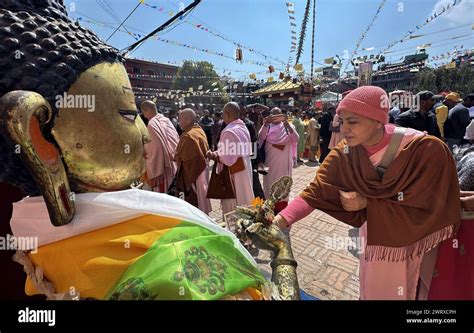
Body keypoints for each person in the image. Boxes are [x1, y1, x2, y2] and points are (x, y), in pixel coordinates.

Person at [272, 86, 461, 300]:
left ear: (378, 121)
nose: (344, 129)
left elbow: (429, 202)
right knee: (372, 286)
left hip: (411, 238)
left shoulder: (423, 148)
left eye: (352, 122)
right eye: (341, 121)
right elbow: (315, 191)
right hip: (373, 235)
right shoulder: (346, 151)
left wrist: (368, 203)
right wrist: (279, 221)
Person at [207, 102, 254, 215]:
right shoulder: (243, 127)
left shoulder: (228, 131)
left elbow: (226, 159)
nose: (222, 117)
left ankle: (234, 228)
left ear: (227, 114)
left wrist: (212, 155)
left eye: (223, 114)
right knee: (245, 197)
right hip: (245, 167)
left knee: (233, 205)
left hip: (234, 172)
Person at [257, 107, 299, 210]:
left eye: (278, 115)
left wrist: (287, 125)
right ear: (270, 116)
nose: (276, 118)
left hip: (284, 164)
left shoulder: (289, 126)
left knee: (283, 185)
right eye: (273, 115)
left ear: (282, 116)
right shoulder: (267, 127)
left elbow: (296, 138)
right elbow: (260, 138)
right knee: (269, 185)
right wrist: (266, 124)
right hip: (270, 163)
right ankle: (269, 209)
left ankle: (281, 209)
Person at [175, 109, 212, 214]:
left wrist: (176, 156)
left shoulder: (188, 136)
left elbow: (184, 159)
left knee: (195, 203)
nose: (179, 123)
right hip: (202, 171)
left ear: (187, 119)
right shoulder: (199, 130)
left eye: (180, 120)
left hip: (193, 174)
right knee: (201, 198)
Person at [141, 100, 179, 193]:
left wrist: (144, 150)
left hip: (162, 167)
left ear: (148, 110)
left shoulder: (152, 124)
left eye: (144, 113)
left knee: (162, 196)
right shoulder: (166, 120)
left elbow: (155, 148)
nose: (144, 116)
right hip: (173, 163)